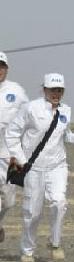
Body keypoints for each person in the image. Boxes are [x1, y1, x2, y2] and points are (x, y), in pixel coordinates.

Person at [6, 73, 74, 262]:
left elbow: (64, 134)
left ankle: (55, 242)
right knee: (32, 212)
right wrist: (20, 158)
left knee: (59, 202)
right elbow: (12, 133)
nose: (56, 93)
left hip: (57, 166)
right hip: (33, 167)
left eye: (59, 90)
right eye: (52, 90)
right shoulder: (31, 108)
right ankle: (27, 250)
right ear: (44, 89)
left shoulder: (66, 111)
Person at [0, 52, 29, 243]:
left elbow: (29, 117)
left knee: (8, 200)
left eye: (2, 66)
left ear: (7, 69)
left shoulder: (16, 91)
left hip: (9, 153)